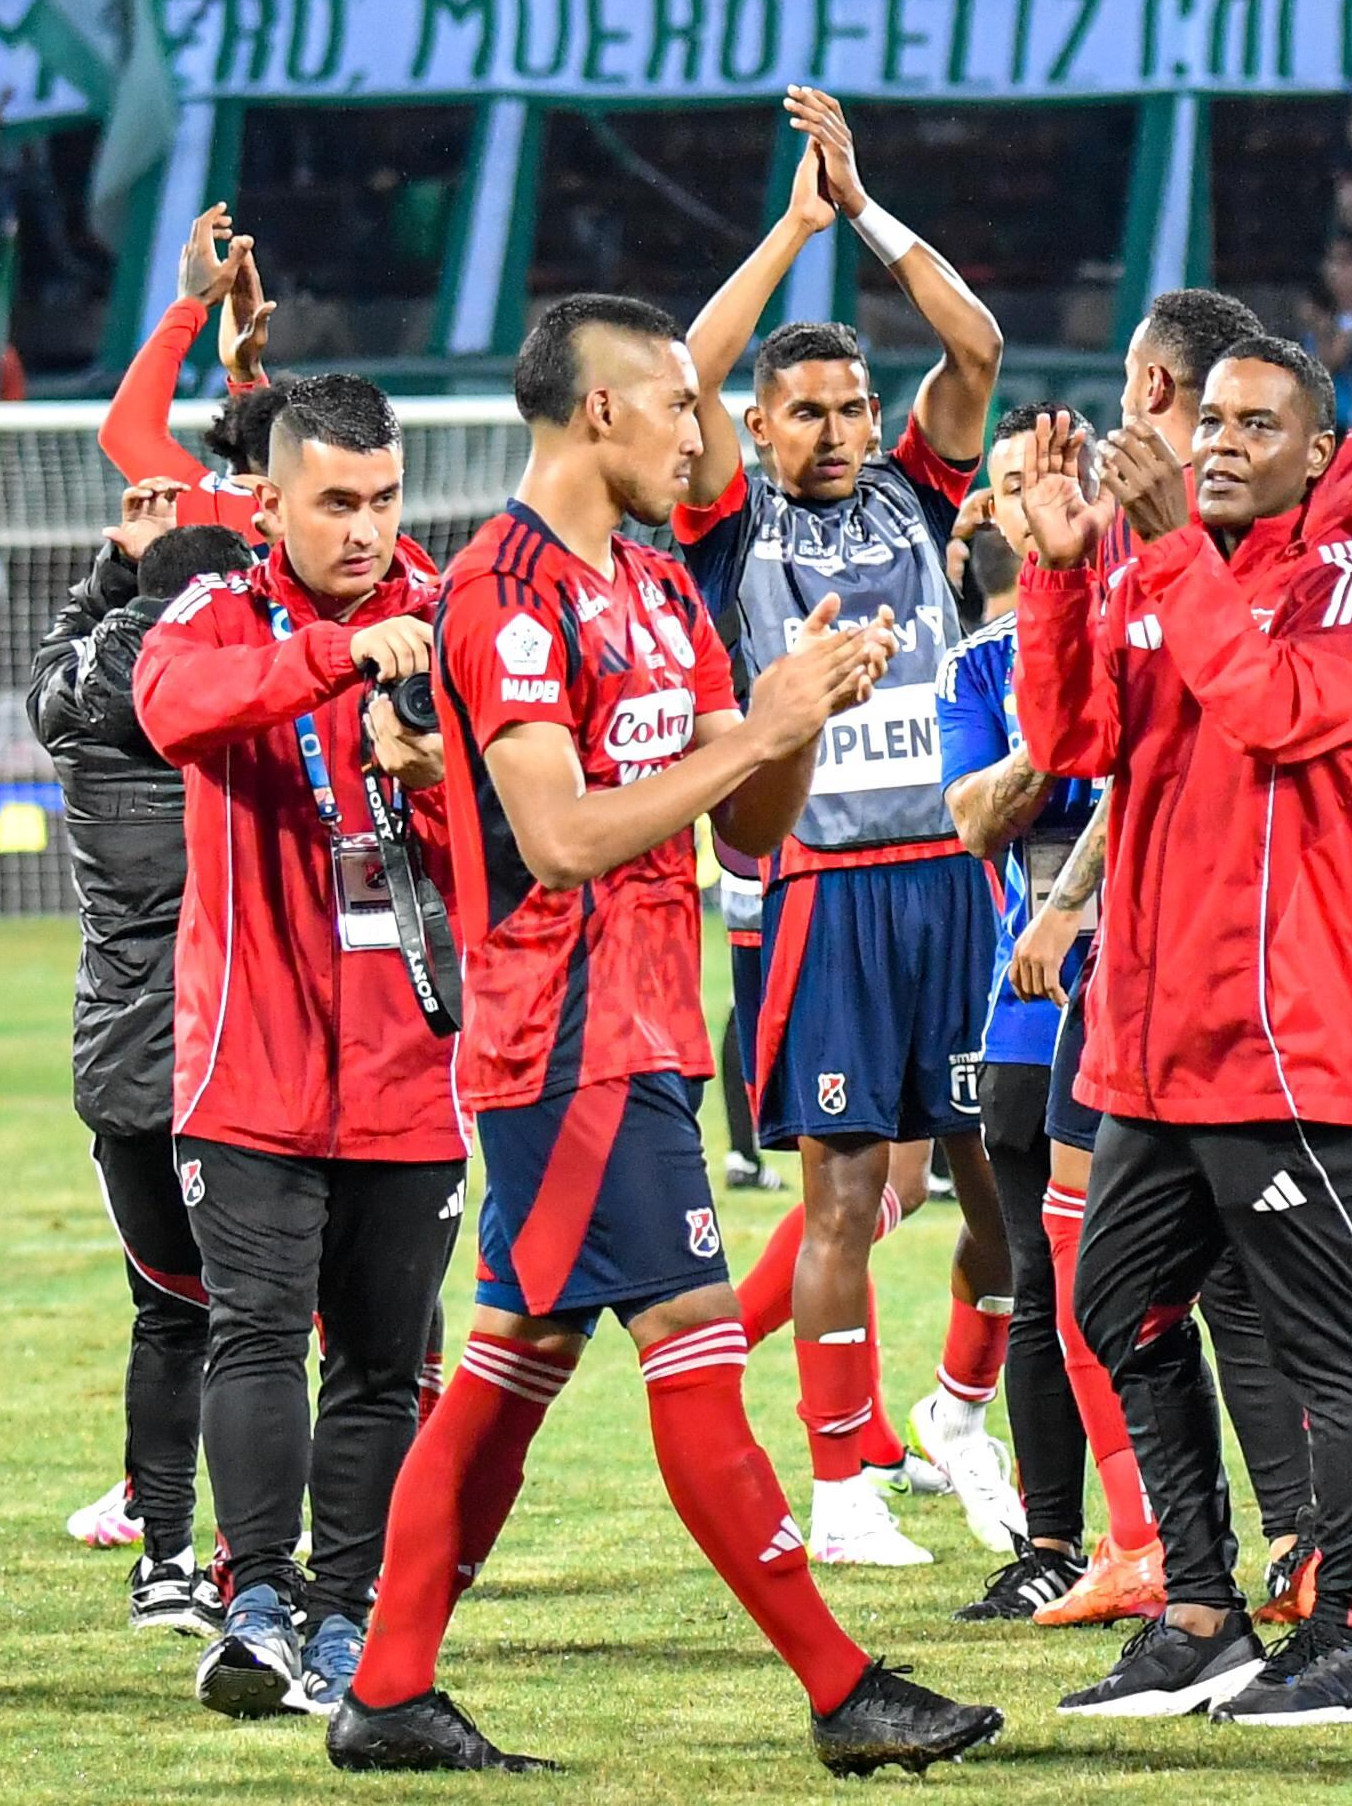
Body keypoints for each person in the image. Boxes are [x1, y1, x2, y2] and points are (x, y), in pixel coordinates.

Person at [329, 294, 1001, 1777]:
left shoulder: (650, 582)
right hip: (560, 1038)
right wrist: (752, 737)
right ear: (601, 412)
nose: (701, 438)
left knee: (511, 1365)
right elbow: (557, 835)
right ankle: (840, 1688)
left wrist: (798, 712)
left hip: (641, 1028)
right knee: (691, 1350)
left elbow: (749, 822)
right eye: (681, 409)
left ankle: (386, 1685)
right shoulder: (504, 594)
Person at [1010, 337, 1352, 1728]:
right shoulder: (1146, 566)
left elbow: (1263, 710)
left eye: (1260, 423)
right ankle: (1201, 1610)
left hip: (1282, 1043)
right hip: (1149, 1041)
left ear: (1317, 450)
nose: (1223, 439)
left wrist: (1164, 549)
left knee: (1319, 1344)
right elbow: (1071, 737)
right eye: (1213, 417)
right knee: (1113, 1304)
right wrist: (1063, 569)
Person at [671, 90, 1013, 1570]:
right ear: (760, 425)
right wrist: (791, 227)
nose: (829, 428)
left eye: (845, 407)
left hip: (954, 878)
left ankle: (957, 1407)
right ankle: (842, 1478)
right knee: (843, 1187)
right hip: (824, 890)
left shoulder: (915, 488)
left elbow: (977, 346)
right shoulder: (729, 525)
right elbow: (678, 378)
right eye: (799, 409)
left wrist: (864, 207)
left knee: (997, 1166)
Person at [131, 375, 459, 1721]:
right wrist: (338, 658)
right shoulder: (218, 609)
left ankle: (342, 1618)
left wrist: (436, 763)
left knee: (384, 1363)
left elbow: (520, 815)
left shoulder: (447, 621)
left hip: (410, 1066)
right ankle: (254, 1606)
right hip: (250, 1068)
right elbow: (174, 713)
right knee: (257, 1336)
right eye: (335, 501)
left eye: (384, 498)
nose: (366, 528)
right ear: (267, 504)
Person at [28, 498, 245, 1633]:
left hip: (122, 1063)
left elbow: (55, 659)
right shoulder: (241, 703)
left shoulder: (74, 712)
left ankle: (160, 1560)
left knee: (169, 1314)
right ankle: (251, 1563)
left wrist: (107, 566)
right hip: (242, 1055)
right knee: (271, 1324)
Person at [935, 409, 1106, 1624]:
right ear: (991, 516)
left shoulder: (1146, 622)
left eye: (1062, 473)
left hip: (1156, 1000)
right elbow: (977, 818)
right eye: (1011, 484)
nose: (1036, 495)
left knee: (1198, 1288)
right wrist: (1048, 727)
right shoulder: (976, 670)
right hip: (1031, 1012)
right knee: (1046, 1284)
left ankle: (1282, 1541)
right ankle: (1053, 1538)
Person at [103, 208, 281, 538]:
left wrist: (192, 304)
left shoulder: (236, 517)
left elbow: (126, 431)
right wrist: (247, 377)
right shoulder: (361, 540)